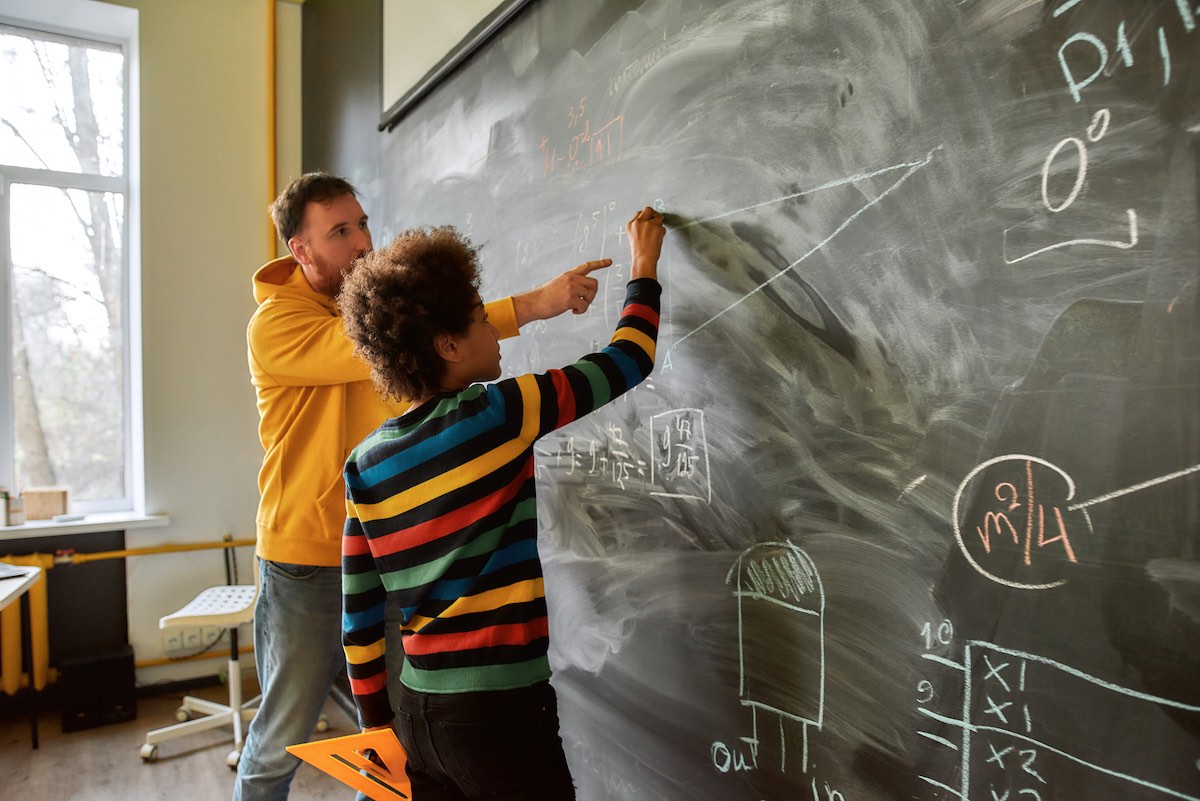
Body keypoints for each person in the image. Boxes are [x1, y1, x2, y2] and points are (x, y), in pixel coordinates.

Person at [239, 172, 607, 801]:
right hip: (305, 559)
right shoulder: (276, 324)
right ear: (300, 250)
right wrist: (529, 306)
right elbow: (361, 346)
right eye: (340, 231)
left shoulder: (372, 306)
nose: (362, 241)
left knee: (387, 744)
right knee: (281, 734)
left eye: (361, 223)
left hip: (386, 555)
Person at [338, 206, 666, 800]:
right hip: (498, 717)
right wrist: (643, 266)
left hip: (416, 716)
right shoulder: (497, 412)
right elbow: (627, 361)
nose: (493, 330)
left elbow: (359, 623)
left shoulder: (364, 463)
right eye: (478, 321)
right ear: (446, 345)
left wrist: (376, 728)